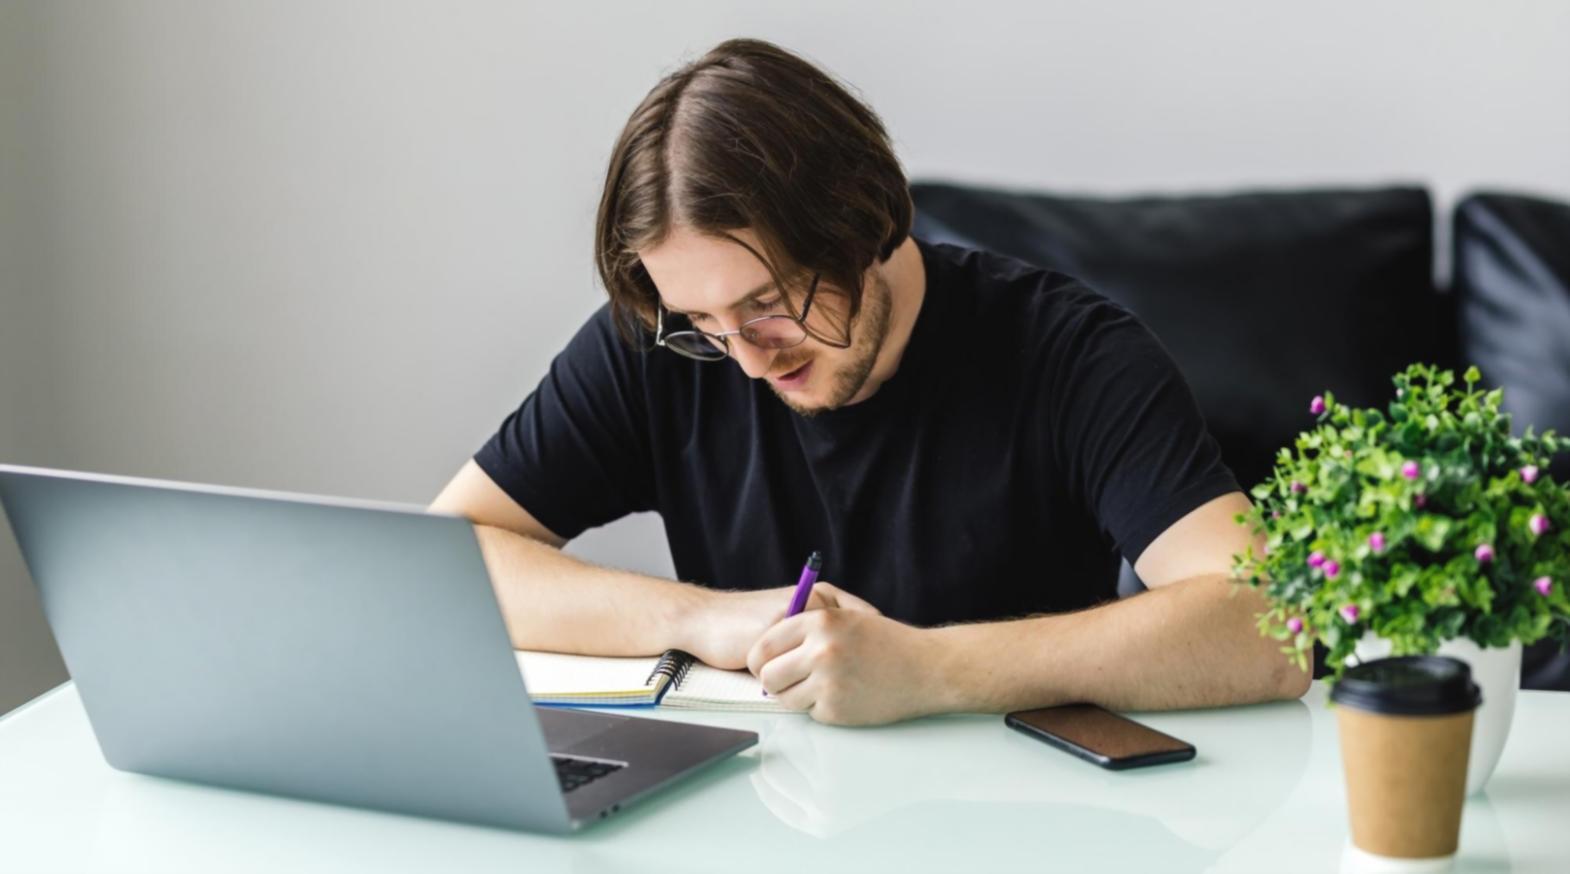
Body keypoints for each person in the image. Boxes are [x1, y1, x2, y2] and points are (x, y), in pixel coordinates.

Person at [431, 37, 1311, 725]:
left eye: (770, 303)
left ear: (861, 221)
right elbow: (448, 558)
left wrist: (930, 672)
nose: (746, 357)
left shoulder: (1073, 355)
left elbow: (1270, 629)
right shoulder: (662, 346)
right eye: (704, 324)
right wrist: (700, 620)